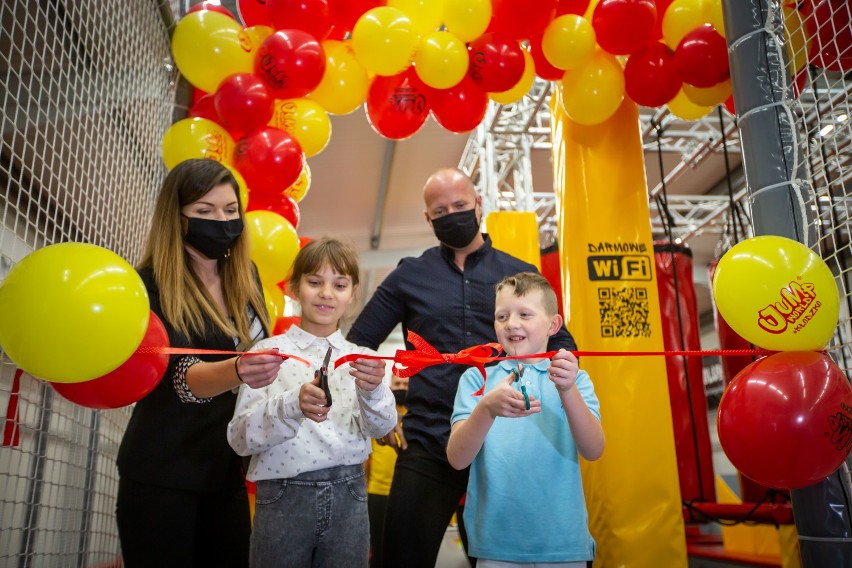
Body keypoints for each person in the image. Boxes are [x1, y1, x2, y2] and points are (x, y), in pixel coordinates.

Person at [346, 167, 578, 568]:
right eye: (441, 210)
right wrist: (377, 412)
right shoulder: (410, 275)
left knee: (502, 560)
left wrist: (567, 387)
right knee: (400, 556)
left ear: (478, 205)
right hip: (429, 439)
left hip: (506, 444)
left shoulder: (519, 273)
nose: (451, 214)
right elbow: (357, 344)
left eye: (460, 205)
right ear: (428, 218)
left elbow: (561, 344)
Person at [115, 158, 285, 567]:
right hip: (162, 470)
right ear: (177, 217)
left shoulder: (246, 277)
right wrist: (240, 369)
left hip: (223, 469)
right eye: (204, 212)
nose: (222, 222)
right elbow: (180, 377)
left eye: (230, 211)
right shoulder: (150, 285)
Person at [227, 237, 397, 568]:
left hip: (350, 494)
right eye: (314, 281)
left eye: (339, 284)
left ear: (352, 293)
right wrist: (292, 405)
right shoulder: (266, 354)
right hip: (282, 495)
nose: (326, 293)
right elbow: (239, 438)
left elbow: (383, 427)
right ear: (294, 287)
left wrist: (373, 391)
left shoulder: (366, 361)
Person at [447, 272, 604, 567]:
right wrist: (486, 409)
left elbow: (593, 449)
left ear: (553, 324)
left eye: (525, 314)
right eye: (502, 316)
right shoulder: (476, 379)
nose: (512, 324)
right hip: (495, 545)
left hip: (563, 543)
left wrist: (567, 389)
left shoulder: (575, 378)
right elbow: (457, 459)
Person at [366, 372, 408, 568]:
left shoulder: (418, 415)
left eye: (405, 384)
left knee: (404, 551)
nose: (401, 387)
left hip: (407, 492)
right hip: (378, 492)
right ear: (390, 385)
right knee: (378, 550)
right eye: (397, 383)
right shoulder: (379, 412)